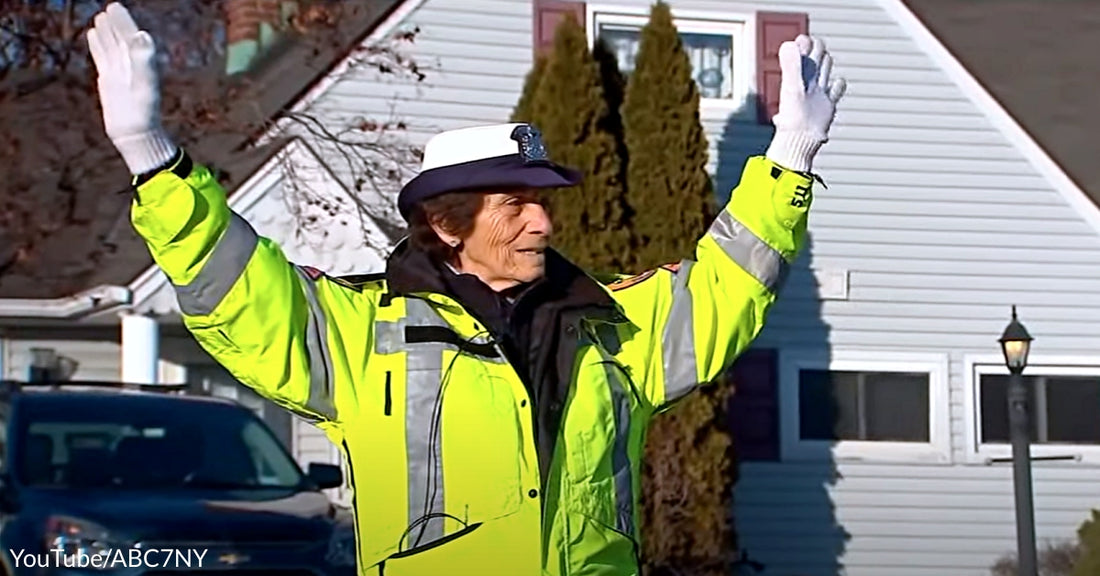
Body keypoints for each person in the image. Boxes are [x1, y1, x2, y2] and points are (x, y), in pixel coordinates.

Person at [86, 3, 846, 575]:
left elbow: (729, 283)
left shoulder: (612, 328)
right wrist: (153, 157)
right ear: (447, 226)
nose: (542, 223)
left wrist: (791, 155)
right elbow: (237, 289)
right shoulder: (360, 334)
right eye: (515, 205)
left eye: (544, 203)